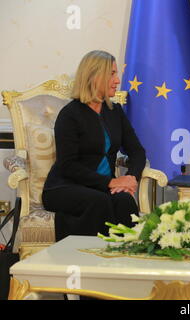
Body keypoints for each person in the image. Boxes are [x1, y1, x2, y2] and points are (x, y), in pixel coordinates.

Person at [42, 50, 146, 241]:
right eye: (112, 74)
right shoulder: (70, 115)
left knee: (124, 201)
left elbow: (137, 151)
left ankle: (126, 260)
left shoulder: (115, 111)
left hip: (101, 187)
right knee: (100, 202)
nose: (117, 80)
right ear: (94, 77)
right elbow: (68, 166)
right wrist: (110, 182)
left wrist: (131, 177)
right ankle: (90, 261)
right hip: (64, 187)